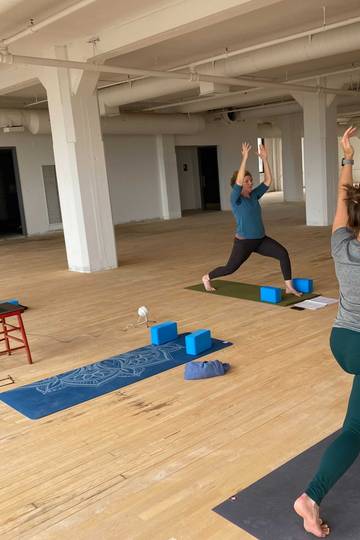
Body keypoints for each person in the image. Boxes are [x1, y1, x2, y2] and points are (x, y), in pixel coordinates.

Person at [294, 126, 360, 538]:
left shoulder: (341, 244)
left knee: (356, 427)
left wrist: (346, 157)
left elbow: (342, 198)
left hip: (342, 341)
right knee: (355, 430)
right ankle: (309, 497)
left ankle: (310, 500)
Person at [202, 142, 301, 296]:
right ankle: (207, 277)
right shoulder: (236, 199)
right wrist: (245, 158)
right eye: (247, 181)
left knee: (283, 253)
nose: (250, 183)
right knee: (230, 268)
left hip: (261, 240)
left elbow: (268, 181)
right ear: (240, 185)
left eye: (251, 180)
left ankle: (289, 286)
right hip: (244, 243)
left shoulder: (254, 194)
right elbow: (239, 181)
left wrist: (265, 159)